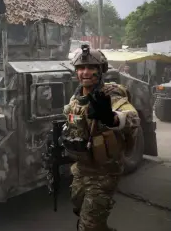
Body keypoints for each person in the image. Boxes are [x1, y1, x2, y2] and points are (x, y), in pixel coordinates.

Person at [63, 45, 140, 231]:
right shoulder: (75, 100)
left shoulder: (110, 94)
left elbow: (133, 119)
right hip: (81, 170)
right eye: (81, 68)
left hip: (104, 173)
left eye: (91, 68)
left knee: (88, 226)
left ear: (100, 71)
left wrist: (111, 118)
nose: (85, 72)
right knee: (79, 210)